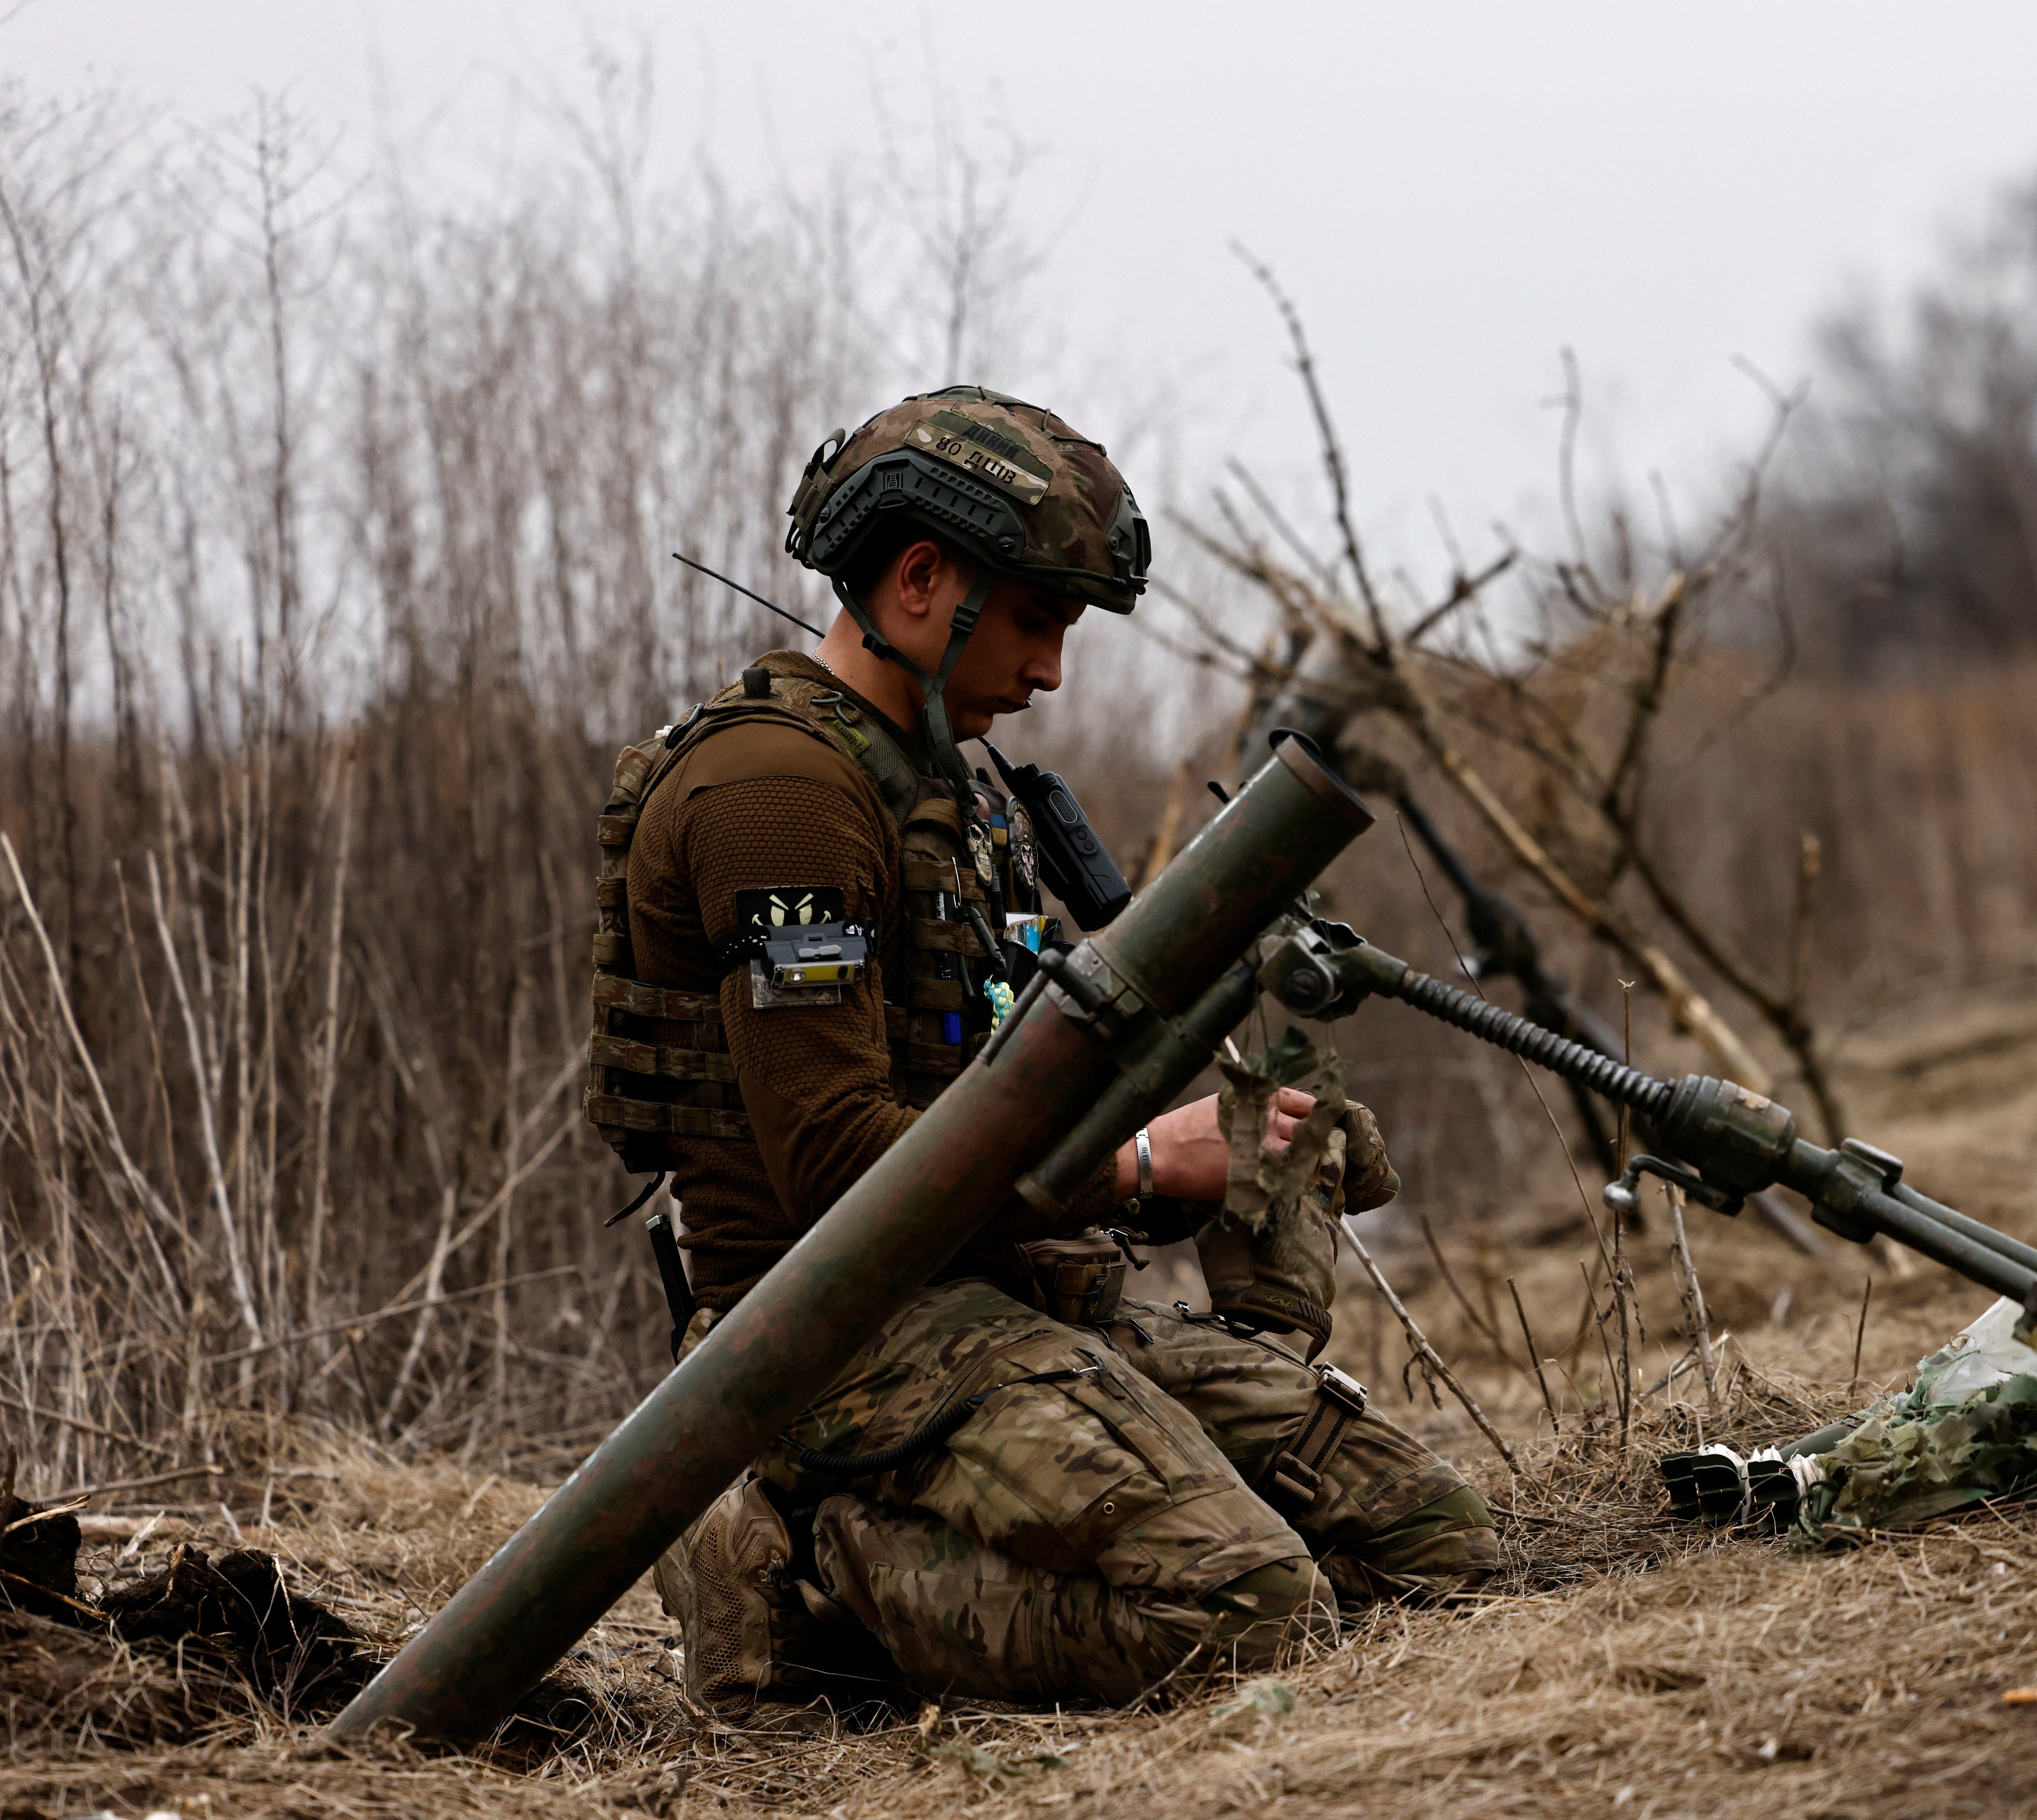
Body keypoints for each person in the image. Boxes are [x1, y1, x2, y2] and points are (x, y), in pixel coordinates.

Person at [582, 387, 1500, 1719]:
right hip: (828, 1335)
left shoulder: (952, 781)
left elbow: (1000, 1080)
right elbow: (839, 1162)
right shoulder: (776, 796)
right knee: (1248, 1612)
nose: (1055, 669)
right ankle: (805, 1569)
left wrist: (1230, 1140)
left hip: (1001, 1279)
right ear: (917, 582)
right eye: (1035, 620)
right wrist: (1140, 1169)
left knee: (1427, 1537)